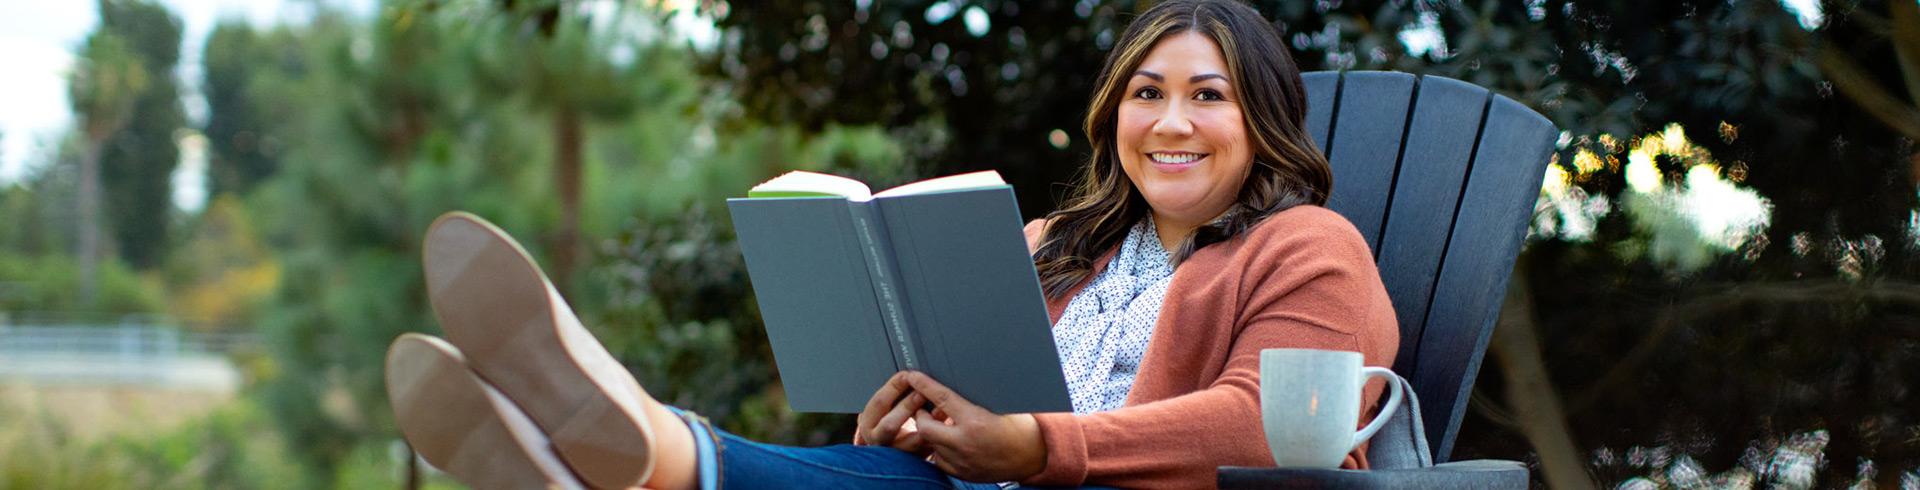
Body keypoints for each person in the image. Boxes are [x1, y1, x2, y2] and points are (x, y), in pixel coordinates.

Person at [382, 0, 1399, 488]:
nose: (1171, 123)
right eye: (1147, 93)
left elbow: (1262, 429)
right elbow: (967, 405)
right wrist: (913, 414)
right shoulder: (1051, 245)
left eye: (1206, 97)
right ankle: (625, 457)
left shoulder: (1307, 246)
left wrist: (1041, 445)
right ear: (1112, 115)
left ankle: (643, 449)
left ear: (1264, 120)